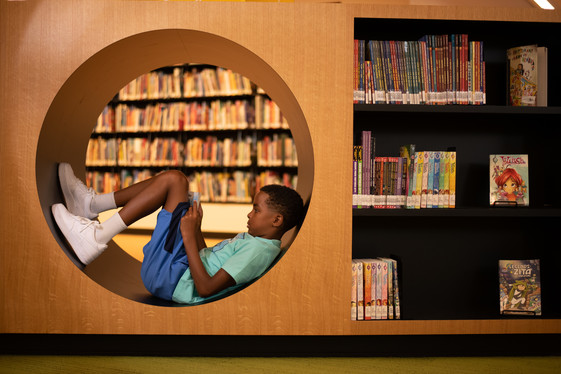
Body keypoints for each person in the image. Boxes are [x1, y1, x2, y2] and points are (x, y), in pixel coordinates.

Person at [51, 163, 304, 304]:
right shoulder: (259, 242)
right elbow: (207, 260)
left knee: (175, 181)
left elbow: (205, 288)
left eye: (256, 210)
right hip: (177, 272)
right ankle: (92, 206)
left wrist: (187, 237)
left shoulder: (257, 251)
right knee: (176, 183)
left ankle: (95, 235)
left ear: (277, 220)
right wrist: (196, 230)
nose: (249, 215)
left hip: (172, 279)